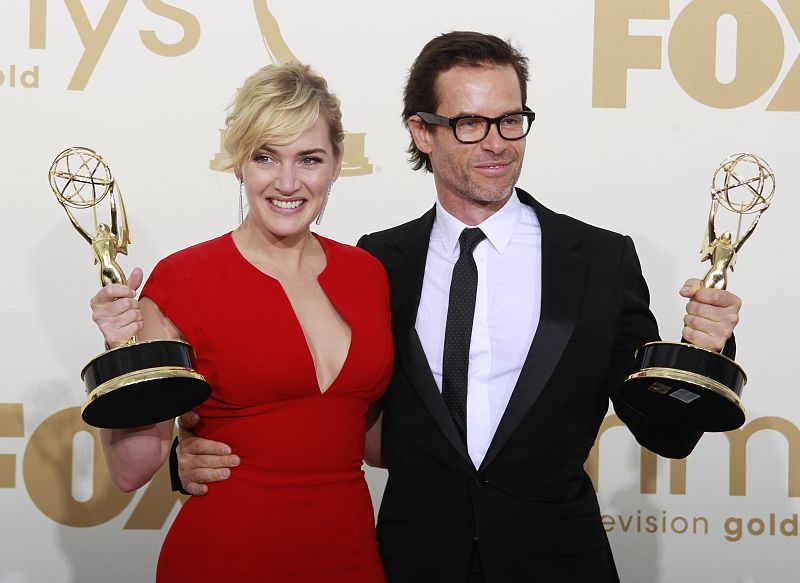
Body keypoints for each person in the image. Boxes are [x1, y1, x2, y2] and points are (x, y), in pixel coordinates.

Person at [159, 32, 741, 582]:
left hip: (557, 563)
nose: (496, 142)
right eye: (469, 123)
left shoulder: (598, 259)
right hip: (413, 562)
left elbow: (666, 434)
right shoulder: (378, 263)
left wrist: (703, 355)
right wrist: (187, 449)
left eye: (510, 120)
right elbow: (331, 410)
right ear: (422, 131)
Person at [89, 62, 392, 582]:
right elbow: (131, 470)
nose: (287, 182)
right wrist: (124, 355)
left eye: (310, 159)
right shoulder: (182, 280)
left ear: (338, 164)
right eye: (266, 157)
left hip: (351, 557)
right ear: (238, 164)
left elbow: (372, 438)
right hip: (226, 555)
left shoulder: (368, 274)